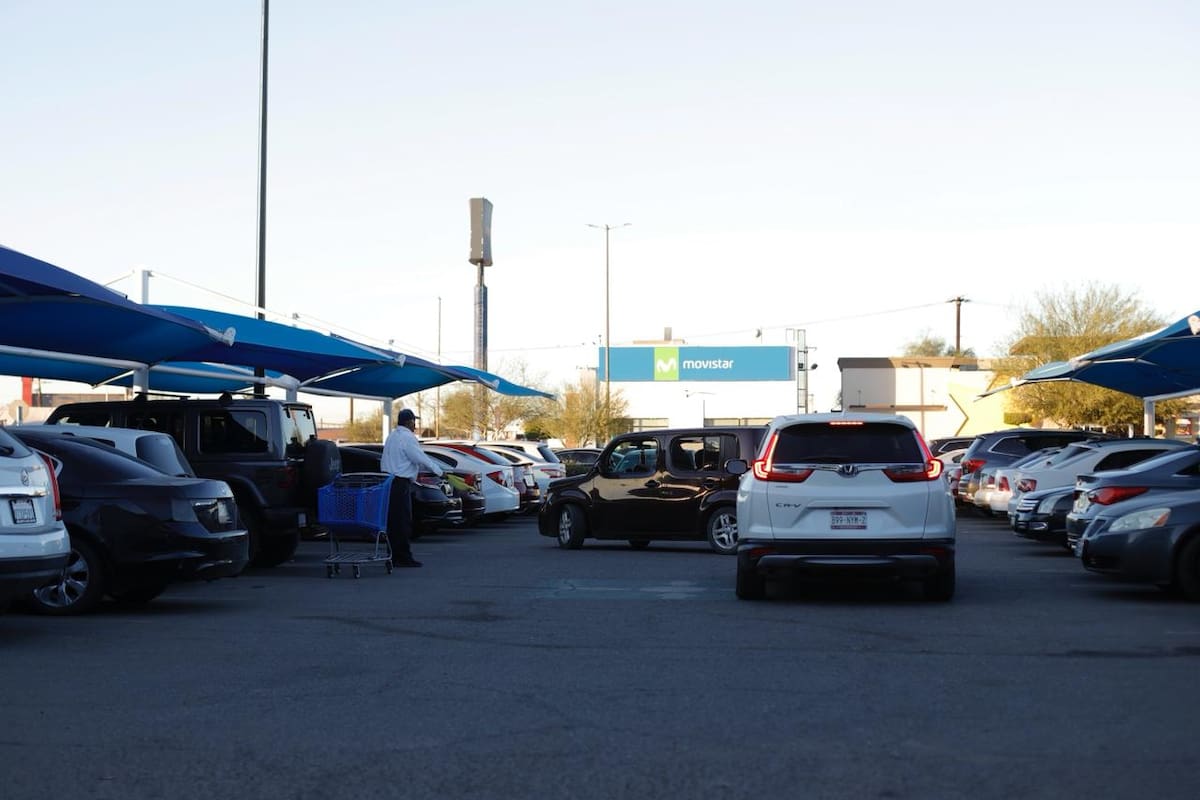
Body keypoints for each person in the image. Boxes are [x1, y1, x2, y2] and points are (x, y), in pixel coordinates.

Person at [380, 408, 444, 568]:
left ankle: (393, 555)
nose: (415, 425)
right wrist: (439, 471)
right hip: (400, 484)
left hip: (388, 482)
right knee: (402, 521)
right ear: (409, 422)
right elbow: (419, 457)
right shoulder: (407, 438)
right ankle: (404, 556)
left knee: (393, 522)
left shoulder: (392, 436)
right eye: (414, 422)